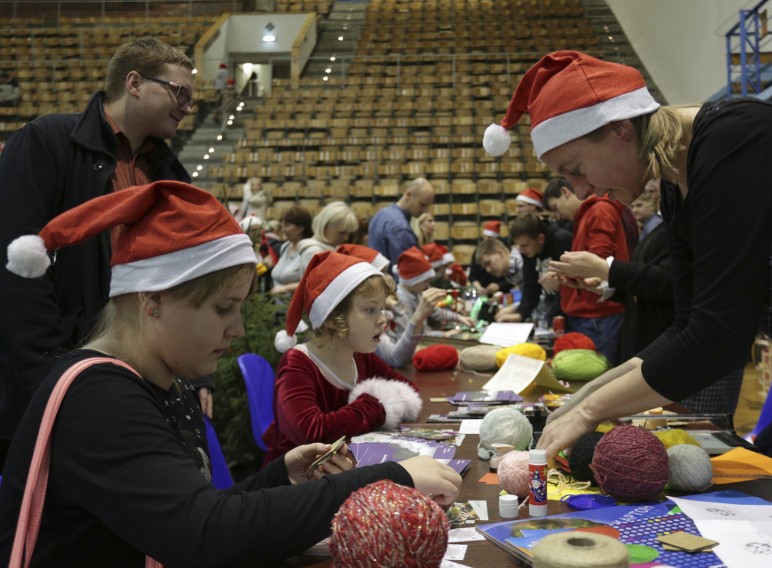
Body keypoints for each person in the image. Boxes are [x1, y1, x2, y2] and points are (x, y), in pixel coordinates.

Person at [0, 181, 462, 566]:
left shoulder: (163, 381)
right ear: (152, 300)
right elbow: (205, 534)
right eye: (224, 309)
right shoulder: (98, 397)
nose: (238, 328)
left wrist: (279, 476)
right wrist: (389, 477)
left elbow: (189, 509)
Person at [484, 50, 772, 500]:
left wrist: (586, 415)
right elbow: (687, 321)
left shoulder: (738, 138)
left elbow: (719, 336)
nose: (580, 191)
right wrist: (581, 401)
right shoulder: (678, 189)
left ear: (620, 128)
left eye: (575, 170)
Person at [0, 37, 196, 469]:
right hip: (58, 381)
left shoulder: (168, 173)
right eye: (178, 92)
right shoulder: (46, 142)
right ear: (134, 83)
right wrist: (49, 379)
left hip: (135, 379)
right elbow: (16, 273)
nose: (186, 106)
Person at [264, 251, 423, 464]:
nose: (383, 320)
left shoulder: (360, 357)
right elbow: (311, 432)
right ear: (332, 318)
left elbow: (407, 388)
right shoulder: (297, 365)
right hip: (298, 485)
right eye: (370, 309)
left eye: (382, 308)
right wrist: (377, 406)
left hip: (346, 471)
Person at [552, 183, 632, 364]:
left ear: (565, 192)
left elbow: (598, 264)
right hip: (593, 314)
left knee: (596, 381)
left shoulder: (599, 210)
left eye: (554, 207)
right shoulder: (589, 213)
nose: (556, 215)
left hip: (599, 315)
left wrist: (571, 274)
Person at [336, 243, 441, 369]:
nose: (390, 277)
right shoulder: (365, 316)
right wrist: (418, 317)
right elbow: (395, 358)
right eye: (382, 272)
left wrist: (396, 307)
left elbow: (402, 341)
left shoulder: (387, 308)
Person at [495, 213, 571, 326]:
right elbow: (531, 284)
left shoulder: (561, 240)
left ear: (540, 238)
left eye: (524, 245)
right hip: (553, 313)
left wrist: (555, 318)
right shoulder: (530, 249)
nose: (521, 250)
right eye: (518, 246)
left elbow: (568, 286)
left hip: (571, 314)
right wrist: (520, 314)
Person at [394, 247, 475, 331]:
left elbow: (435, 311)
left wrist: (459, 318)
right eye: (425, 281)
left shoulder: (417, 292)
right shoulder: (403, 301)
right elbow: (411, 334)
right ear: (414, 281)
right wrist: (444, 335)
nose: (427, 285)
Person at [368, 177, 435, 272]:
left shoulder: (380, 214)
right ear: (408, 194)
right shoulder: (400, 227)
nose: (425, 211)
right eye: (422, 205)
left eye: (427, 206)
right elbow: (405, 273)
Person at [297, 201, 358, 272]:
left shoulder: (333, 249)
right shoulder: (314, 252)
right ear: (325, 226)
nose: (346, 238)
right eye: (341, 233)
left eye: (348, 233)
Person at [271, 205, 314, 295]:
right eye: (282, 225)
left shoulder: (310, 251)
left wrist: (286, 288)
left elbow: (312, 283)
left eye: (287, 226)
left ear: (300, 229)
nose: (283, 230)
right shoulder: (285, 247)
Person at [469, 220, 515, 296]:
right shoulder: (479, 252)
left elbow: (512, 279)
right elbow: (473, 275)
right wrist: (479, 287)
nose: (488, 270)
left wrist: (499, 286)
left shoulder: (509, 252)